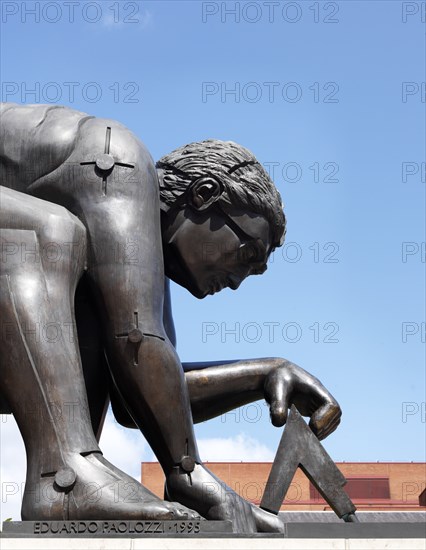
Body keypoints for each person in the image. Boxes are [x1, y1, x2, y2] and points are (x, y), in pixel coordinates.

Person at [0, 103, 341, 532]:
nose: (236, 282)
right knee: (49, 233)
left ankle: (75, 467)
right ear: (203, 194)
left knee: (89, 301)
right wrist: (189, 474)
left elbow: (141, 396)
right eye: (245, 255)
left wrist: (264, 374)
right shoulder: (120, 159)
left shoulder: (133, 261)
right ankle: (63, 477)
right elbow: (138, 340)